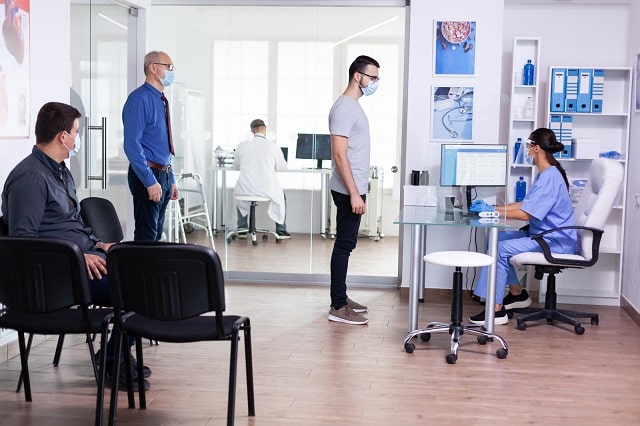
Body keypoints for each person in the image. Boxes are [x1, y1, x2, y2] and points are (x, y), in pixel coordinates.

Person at [0, 102, 151, 390]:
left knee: (145, 273)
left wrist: (96, 245)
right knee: (139, 288)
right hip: (59, 278)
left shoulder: (60, 171)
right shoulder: (30, 178)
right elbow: (22, 245)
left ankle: (113, 356)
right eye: (76, 132)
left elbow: (70, 225)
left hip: (83, 263)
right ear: (62, 137)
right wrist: (78, 257)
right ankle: (112, 359)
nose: (78, 138)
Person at [469, 128, 578, 326]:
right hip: (544, 236)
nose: (526, 149)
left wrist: (493, 212)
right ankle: (517, 293)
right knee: (495, 240)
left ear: (536, 148)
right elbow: (525, 204)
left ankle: (496, 310)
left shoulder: (550, 178)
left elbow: (526, 214)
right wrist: (492, 207)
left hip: (554, 242)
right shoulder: (546, 174)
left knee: (500, 249)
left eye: (528, 145)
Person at [327, 55, 380, 325]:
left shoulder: (353, 106)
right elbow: (339, 155)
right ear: (357, 76)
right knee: (344, 245)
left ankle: (342, 297)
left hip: (355, 187)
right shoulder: (344, 108)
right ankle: (337, 306)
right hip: (349, 190)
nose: (375, 82)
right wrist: (354, 193)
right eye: (372, 77)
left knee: (348, 244)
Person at [123, 50, 179, 241]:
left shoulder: (160, 100)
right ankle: (141, 272)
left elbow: (162, 144)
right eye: (168, 67)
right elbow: (132, 144)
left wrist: (170, 178)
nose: (171, 72)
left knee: (156, 235)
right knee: (146, 237)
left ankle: (153, 272)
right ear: (153, 68)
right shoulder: (140, 99)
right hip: (148, 174)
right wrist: (149, 181)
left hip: (162, 174)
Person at [233, 119, 290, 239]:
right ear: (265, 129)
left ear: (252, 130)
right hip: (266, 190)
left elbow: (236, 165)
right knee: (281, 196)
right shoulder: (273, 146)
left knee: (240, 191)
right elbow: (282, 167)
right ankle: (281, 230)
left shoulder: (242, 145)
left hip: (245, 189)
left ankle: (242, 228)